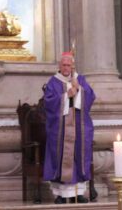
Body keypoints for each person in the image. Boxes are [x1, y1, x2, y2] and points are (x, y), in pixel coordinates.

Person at [43, 52, 95, 204]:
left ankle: (78, 193)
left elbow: (91, 97)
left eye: (69, 65)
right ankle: (60, 194)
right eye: (64, 65)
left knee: (79, 155)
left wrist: (79, 90)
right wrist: (66, 96)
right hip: (60, 127)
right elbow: (48, 103)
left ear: (72, 66)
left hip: (79, 124)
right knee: (60, 157)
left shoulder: (80, 79)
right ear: (59, 66)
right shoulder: (53, 82)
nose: (66, 68)